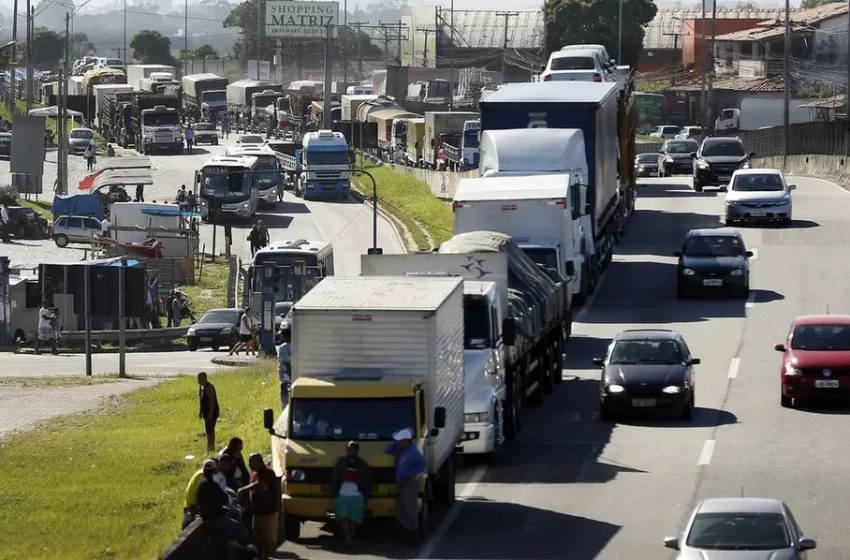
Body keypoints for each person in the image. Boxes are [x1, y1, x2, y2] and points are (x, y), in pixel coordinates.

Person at [196, 459, 254, 556]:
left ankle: (230, 544)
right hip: (217, 518)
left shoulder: (200, 484)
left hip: (209, 517)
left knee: (234, 515)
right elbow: (222, 499)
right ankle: (243, 551)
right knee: (243, 531)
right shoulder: (211, 484)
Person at [385, 428, 426, 542]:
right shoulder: (401, 450)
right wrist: (396, 442)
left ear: (406, 440)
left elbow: (422, 464)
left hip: (410, 484)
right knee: (400, 509)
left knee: (410, 509)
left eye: (400, 440)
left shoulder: (413, 453)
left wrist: (415, 476)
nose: (398, 442)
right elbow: (387, 450)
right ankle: (407, 530)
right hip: (402, 484)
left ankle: (414, 533)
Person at [237, 453, 280, 560]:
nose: (249, 464)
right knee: (257, 539)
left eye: (252, 461)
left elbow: (261, 485)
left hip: (268, 512)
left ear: (259, 461)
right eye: (249, 461)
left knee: (265, 540)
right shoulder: (254, 473)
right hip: (257, 511)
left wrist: (243, 489)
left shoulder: (268, 472)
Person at [331, 441, 371, 548]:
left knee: (354, 519)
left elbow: (367, 480)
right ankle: (347, 538)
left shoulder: (362, 464)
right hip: (342, 494)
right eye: (349, 449)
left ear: (357, 451)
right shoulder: (341, 463)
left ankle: (350, 538)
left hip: (357, 495)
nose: (351, 451)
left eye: (353, 450)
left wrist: (366, 495)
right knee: (344, 518)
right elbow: (335, 478)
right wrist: (334, 492)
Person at [198, 372, 220, 452]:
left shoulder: (209, 387)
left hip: (212, 412)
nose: (198, 380)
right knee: (208, 430)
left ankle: (211, 448)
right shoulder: (201, 387)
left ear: (204, 378)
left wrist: (210, 413)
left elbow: (212, 401)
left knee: (210, 430)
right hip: (206, 412)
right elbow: (200, 399)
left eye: (199, 378)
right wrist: (200, 411)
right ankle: (209, 447)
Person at [278, 326, 292, 410]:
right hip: (295, 375)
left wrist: (290, 374)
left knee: (285, 397)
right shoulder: (295, 345)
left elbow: (286, 362)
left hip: (286, 376)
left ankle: (285, 411)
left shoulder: (283, 347)